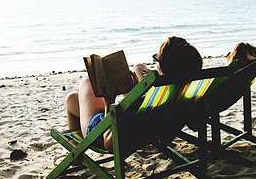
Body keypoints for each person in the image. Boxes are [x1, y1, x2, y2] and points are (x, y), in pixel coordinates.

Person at [65, 36, 202, 152]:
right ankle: (75, 150)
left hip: (101, 131)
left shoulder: (148, 102)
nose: (155, 64)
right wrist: (133, 92)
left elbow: (109, 144)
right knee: (73, 98)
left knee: (87, 81)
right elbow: (195, 124)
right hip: (145, 131)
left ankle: (75, 153)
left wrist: (109, 102)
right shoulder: (186, 95)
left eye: (157, 61)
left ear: (164, 71)